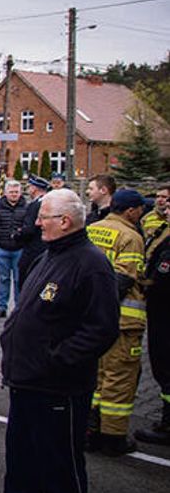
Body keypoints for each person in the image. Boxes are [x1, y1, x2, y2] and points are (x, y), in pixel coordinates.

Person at [0, 188, 118, 493]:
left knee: (60, 463)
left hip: (58, 386)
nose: (36, 222)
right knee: (22, 455)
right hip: (26, 381)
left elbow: (101, 329)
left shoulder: (90, 264)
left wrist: (57, 359)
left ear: (65, 221)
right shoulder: (50, 255)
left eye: (44, 217)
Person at [85, 189, 147, 456]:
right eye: (139, 210)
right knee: (118, 378)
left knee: (96, 377)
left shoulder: (93, 229)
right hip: (123, 321)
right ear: (131, 211)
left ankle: (90, 428)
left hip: (90, 318)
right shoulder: (131, 237)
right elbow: (124, 279)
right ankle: (113, 436)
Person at [137, 192, 170, 446]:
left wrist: (141, 284)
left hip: (164, 310)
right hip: (159, 310)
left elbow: (159, 278)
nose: (166, 210)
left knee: (165, 364)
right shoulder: (161, 231)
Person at [0, 179, 27, 318]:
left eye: (16, 192)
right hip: (1, 249)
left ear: (20, 192)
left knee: (18, 280)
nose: (14, 194)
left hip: (19, 249)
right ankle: (2, 306)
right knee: (3, 279)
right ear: (5, 192)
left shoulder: (26, 207)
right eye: (11, 192)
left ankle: (18, 307)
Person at [16, 176, 49, 289]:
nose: (28, 189)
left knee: (27, 284)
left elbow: (29, 229)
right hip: (45, 247)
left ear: (34, 189)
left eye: (30, 186)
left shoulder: (34, 206)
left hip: (33, 249)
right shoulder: (48, 202)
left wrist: (17, 235)